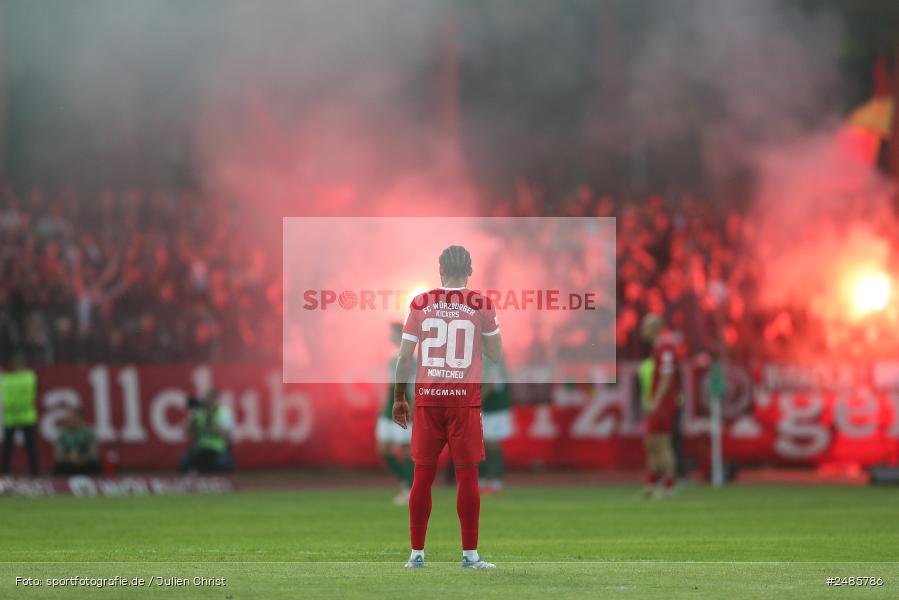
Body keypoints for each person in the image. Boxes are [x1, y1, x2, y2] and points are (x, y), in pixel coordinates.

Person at [392, 245, 503, 570]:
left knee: (422, 476)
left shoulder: (421, 302)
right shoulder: (481, 304)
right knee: (468, 477)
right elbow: (495, 354)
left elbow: (403, 358)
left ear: (440, 270)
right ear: (470, 270)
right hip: (464, 400)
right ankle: (469, 555)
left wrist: (400, 398)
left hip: (428, 398)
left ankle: (416, 555)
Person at [640, 313, 681, 499]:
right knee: (652, 443)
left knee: (663, 444)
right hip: (658, 402)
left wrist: (657, 401)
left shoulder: (665, 349)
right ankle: (652, 484)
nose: (642, 330)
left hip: (664, 404)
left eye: (646, 326)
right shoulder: (658, 349)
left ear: (655, 328)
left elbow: (667, 376)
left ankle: (669, 486)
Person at [376, 322, 414, 505]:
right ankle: (405, 483)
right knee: (383, 449)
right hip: (389, 408)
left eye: (391, 332)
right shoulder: (393, 356)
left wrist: (412, 408)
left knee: (406, 449)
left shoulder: (410, 358)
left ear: (400, 334)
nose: (388, 336)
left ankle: (410, 489)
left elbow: (413, 386)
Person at [178, 389, 234, 473]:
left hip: (218, 450)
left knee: (222, 465)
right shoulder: (200, 413)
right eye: (207, 400)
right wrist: (191, 416)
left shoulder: (224, 413)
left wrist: (211, 418)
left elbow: (225, 435)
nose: (209, 403)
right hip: (201, 449)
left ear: (217, 401)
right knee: (185, 460)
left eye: (212, 400)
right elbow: (185, 430)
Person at [1, 353, 39, 475]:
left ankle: (5, 473)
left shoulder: (7, 379)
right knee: (30, 447)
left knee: (8, 448)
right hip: (27, 415)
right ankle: (35, 473)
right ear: (24, 364)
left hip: (11, 416)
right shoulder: (30, 377)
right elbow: (37, 390)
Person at [479, 355, 512, 494]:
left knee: (491, 444)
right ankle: (486, 480)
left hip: (495, 410)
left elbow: (491, 384)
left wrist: (476, 399)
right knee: (485, 444)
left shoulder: (493, 363)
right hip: (490, 409)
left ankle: (493, 481)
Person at [52, 405, 101, 475]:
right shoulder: (63, 434)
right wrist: (70, 459)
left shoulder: (88, 433)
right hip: (68, 463)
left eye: (72, 418)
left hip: (85, 463)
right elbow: (58, 454)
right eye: (69, 419)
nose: (70, 421)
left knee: (95, 465)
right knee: (58, 466)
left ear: (79, 418)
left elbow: (93, 453)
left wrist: (81, 459)